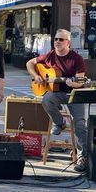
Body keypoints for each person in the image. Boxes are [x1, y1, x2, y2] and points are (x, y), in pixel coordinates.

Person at [26, 29, 87, 172]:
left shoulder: (76, 59)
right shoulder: (49, 55)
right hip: (57, 92)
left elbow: (80, 80)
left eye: (61, 40)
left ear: (68, 43)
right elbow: (30, 63)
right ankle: (59, 123)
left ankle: (83, 157)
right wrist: (36, 75)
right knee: (46, 99)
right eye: (56, 39)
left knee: (80, 124)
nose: (57, 42)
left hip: (75, 93)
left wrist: (75, 84)